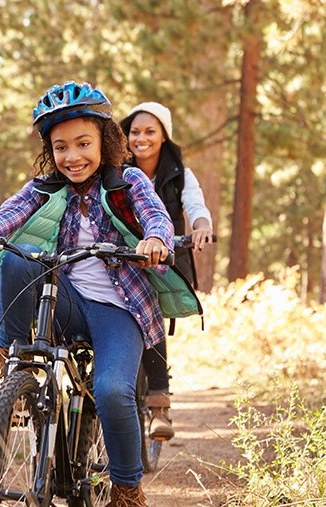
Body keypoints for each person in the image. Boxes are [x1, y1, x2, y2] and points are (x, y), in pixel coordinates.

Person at [0, 82, 176, 504]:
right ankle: (19, 362)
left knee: (110, 391)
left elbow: (156, 216)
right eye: (61, 147)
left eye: (83, 143)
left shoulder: (129, 181)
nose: (72, 157)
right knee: (19, 255)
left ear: (105, 141)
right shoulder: (47, 186)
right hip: (66, 302)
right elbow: (7, 216)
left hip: (117, 309)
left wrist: (155, 240)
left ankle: (127, 487)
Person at [119, 102, 214, 441]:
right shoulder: (115, 169)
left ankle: (159, 406)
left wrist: (201, 228)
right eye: (134, 132)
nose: (140, 138)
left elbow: (196, 207)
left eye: (149, 132)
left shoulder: (181, 175)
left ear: (163, 137)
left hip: (162, 260)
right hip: (120, 256)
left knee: (151, 313)